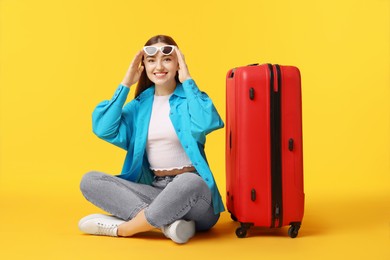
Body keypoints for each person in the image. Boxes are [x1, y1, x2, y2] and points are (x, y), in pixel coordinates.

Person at [78, 35, 225, 244]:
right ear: (144, 65)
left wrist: (188, 79)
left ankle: (126, 229)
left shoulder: (189, 98)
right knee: (90, 180)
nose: (159, 66)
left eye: (167, 59)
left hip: (196, 198)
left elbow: (208, 121)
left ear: (177, 64)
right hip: (156, 190)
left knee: (188, 182)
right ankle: (168, 225)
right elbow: (103, 128)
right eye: (151, 60)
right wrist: (126, 83)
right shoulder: (141, 105)